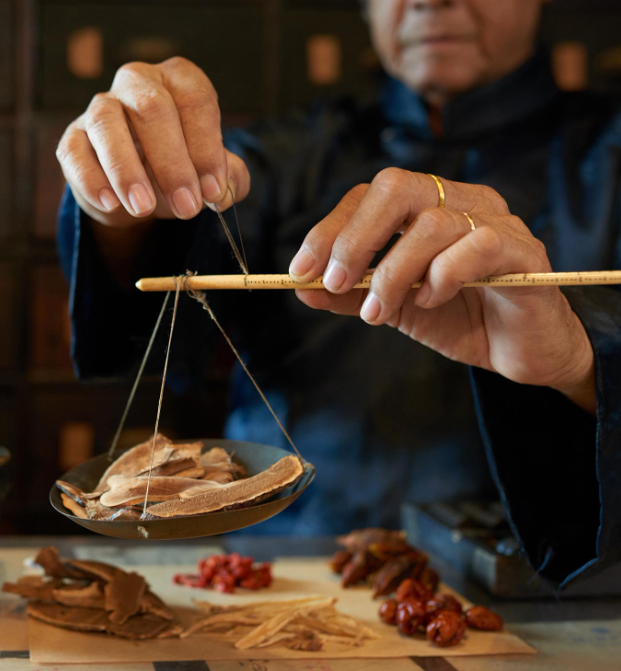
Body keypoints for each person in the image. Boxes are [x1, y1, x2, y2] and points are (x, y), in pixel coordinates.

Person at [55, 0, 621, 587]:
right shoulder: (288, 149)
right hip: (290, 563)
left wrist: (581, 365)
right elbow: (148, 314)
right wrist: (124, 195)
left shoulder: (609, 153)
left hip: (542, 581)